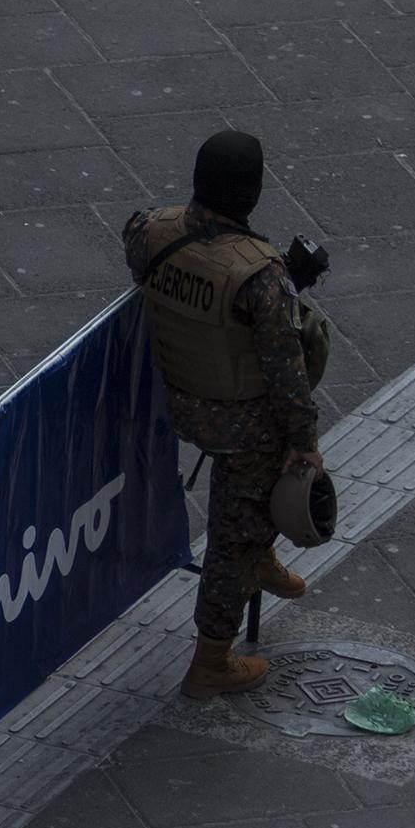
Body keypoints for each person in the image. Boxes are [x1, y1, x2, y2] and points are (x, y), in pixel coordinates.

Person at [124, 130, 325, 699]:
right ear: (253, 192)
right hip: (241, 423)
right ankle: (212, 660)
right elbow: (287, 374)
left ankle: (259, 553)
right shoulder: (261, 275)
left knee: (245, 524)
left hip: (176, 400)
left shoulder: (148, 231)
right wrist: (305, 443)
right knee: (229, 538)